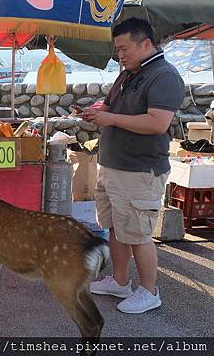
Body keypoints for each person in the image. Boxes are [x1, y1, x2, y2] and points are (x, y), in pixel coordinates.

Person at [84, 17, 185, 314]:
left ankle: (149, 291)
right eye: (117, 50)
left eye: (124, 48)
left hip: (139, 169)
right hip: (113, 165)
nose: (120, 55)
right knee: (116, 228)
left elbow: (157, 123)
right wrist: (98, 111)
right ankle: (119, 280)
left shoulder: (163, 75)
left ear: (145, 43)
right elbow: (112, 106)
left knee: (139, 234)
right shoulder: (129, 73)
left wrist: (111, 118)